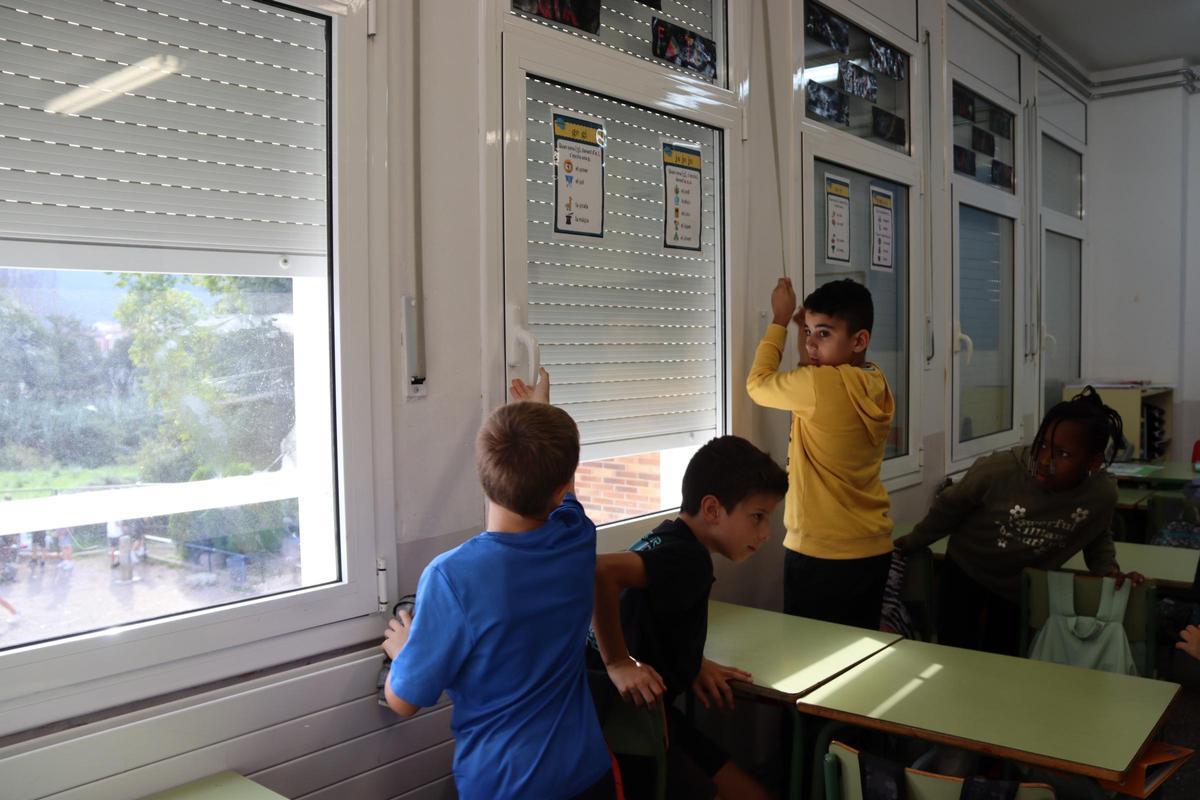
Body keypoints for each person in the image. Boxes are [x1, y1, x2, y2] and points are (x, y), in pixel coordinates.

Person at [381, 369, 615, 800]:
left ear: (483, 472)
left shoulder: (452, 577)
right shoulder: (577, 537)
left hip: (506, 786)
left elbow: (403, 700)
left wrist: (403, 651)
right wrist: (542, 418)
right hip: (585, 773)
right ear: (562, 486)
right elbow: (565, 494)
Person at [588, 435, 788, 800]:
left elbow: (647, 612)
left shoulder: (669, 537)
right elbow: (600, 572)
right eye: (757, 517)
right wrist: (618, 662)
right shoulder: (689, 561)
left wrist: (691, 662)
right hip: (627, 726)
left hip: (639, 714)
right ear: (712, 509)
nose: (766, 532)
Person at [896, 387, 1143, 655]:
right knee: (954, 655)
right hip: (967, 572)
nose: (1045, 460)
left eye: (1062, 454)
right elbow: (948, 508)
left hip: (1019, 589)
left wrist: (1110, 572)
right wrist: (911, 543)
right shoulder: (999, 470)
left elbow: (1096, 535)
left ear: (1093, 462)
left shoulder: (1100, 494)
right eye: (1042, 445)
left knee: (1005, 660)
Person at [746, 277, 896, 628]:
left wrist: (780, 320)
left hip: (822, 552)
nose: (811, 344)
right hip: (871, 548)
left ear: (859, 340)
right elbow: (814, 377)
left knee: (809, 652)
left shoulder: (819, 386)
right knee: (858, 649)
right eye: (808, 331)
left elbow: (758, 384)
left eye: (824, 334)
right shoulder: (875, 381)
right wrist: (812, 336)